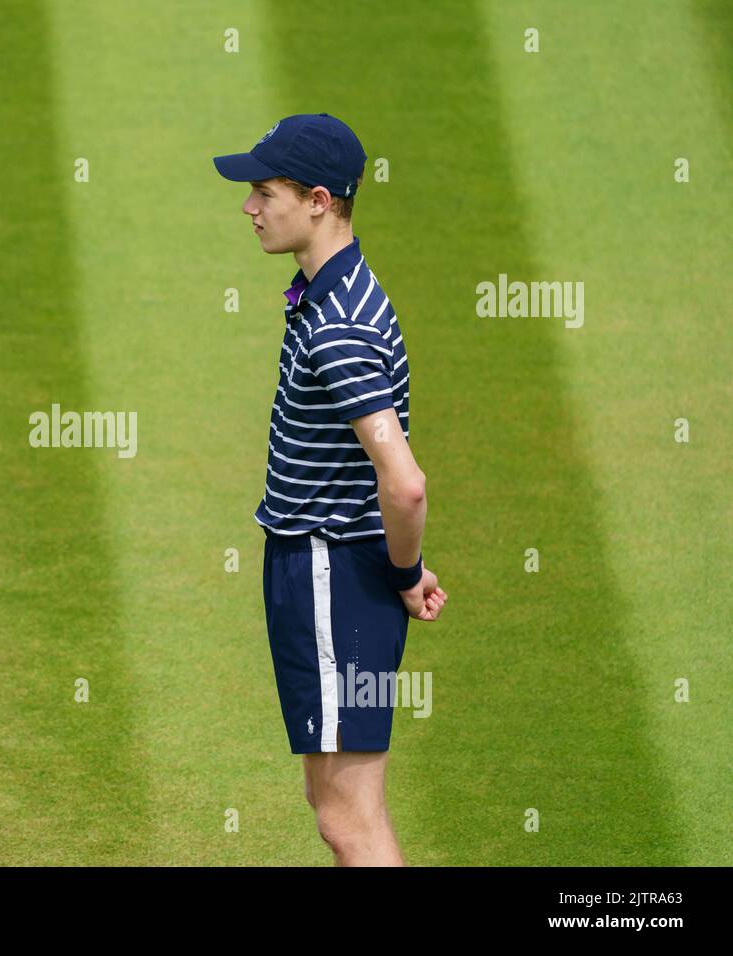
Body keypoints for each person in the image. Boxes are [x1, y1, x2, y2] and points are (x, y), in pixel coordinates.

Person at [213, 114, 449, 866]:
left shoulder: (338, 326)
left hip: (330, 575)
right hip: (333, 573)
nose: (249, 207)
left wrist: (404, 574)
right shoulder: (330, 292)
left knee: (348, 818)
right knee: (337, 806)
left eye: (264, 191)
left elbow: (404, 483)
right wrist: (398, 572)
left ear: (318, 200)